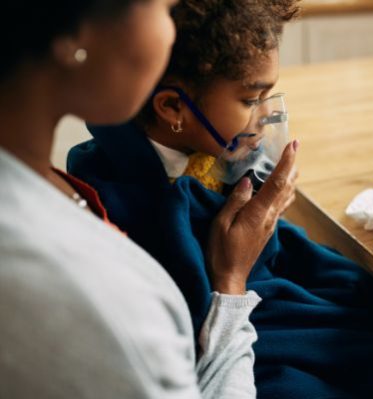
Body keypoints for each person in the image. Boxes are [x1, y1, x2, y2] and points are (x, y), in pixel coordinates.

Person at [66, 0, 373, 398]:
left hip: (266, 303)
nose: (265, 115)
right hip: (229, 339)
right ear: (173, 107)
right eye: (250, 101)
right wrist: (233, 268)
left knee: (370, 313)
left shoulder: (211, 145)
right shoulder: (121, 197)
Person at [0, 0, 300, 397]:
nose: (173, 27)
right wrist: (230, 283)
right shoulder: (94, 297)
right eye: (162, 5)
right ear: (75, 32)